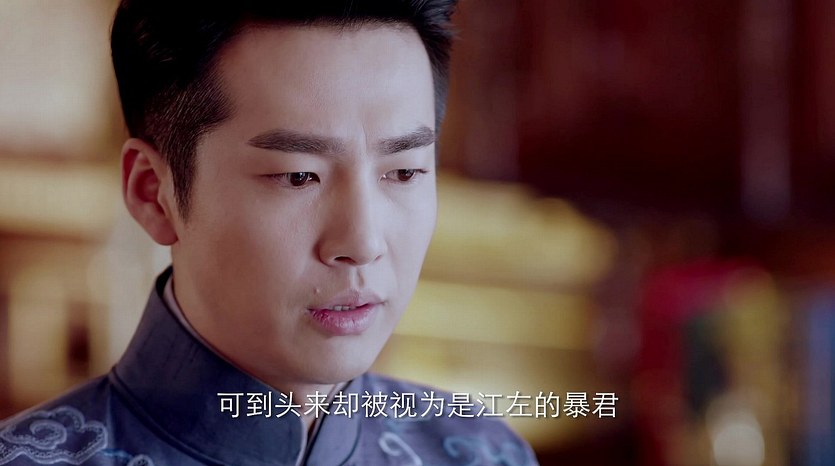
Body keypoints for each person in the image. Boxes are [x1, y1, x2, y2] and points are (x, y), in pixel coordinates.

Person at [0, 1, 539, 464]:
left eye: (404, 172)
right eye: (299, 176)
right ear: (153, 193)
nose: (362, 243)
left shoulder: (484, 453)